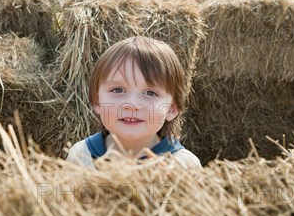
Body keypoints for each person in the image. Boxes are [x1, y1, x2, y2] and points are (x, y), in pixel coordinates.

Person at [66, 36, 202, 169]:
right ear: (97, 102)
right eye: (118, 90)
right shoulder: (81, 156)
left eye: (150, 93)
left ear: (171, 109)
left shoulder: (183, 166)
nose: (132, 105)